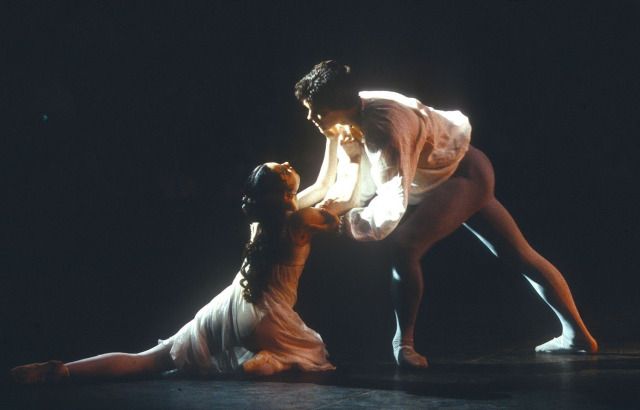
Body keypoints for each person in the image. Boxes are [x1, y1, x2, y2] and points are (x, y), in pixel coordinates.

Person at [294, 60, 599, 370]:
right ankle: (579, 337)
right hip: (456, 174)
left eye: (315, 110)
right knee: (519, 254)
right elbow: (334, 185)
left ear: (336, 105)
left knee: (405, 246)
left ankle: (404, 344)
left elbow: (392, 203)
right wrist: (294, 206)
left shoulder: (383, 126)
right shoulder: (343, 122)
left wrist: (342, 226)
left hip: (464, 176)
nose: (310, 117)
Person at [11, 162, 338, 383]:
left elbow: (322, 184)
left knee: (151, 359)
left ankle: (65, 370)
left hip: (230, 306)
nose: (287, 163)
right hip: (268, 317)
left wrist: (334, 138)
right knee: (313, 351)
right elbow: (341, 196)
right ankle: (273, 359)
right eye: (282, 168)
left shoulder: (266, 219)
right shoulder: (302, 221)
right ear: (285, 194)